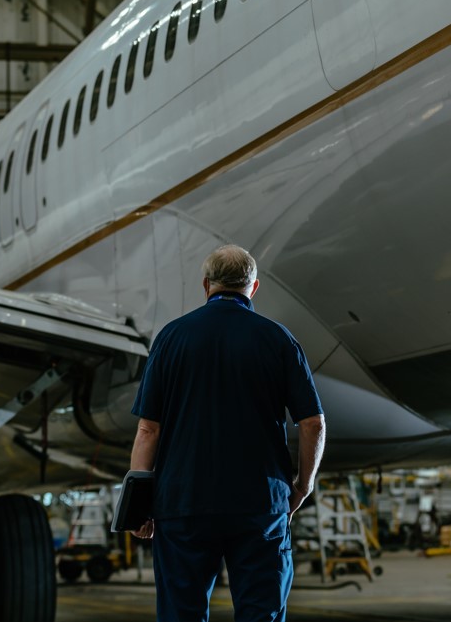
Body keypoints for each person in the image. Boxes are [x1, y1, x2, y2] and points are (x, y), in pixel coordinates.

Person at [129, 244, 326, 622]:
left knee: (180, 614)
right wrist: (303, 485)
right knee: (261, 613)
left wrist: (140, 503)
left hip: (183, 503)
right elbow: (313, 423)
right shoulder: (278, 339)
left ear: (206, 285)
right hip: (259, 504)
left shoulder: (171, 338)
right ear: (253, 289)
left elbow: (147, 429)